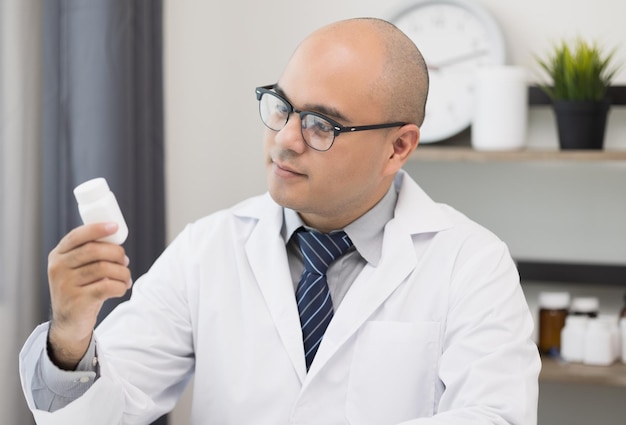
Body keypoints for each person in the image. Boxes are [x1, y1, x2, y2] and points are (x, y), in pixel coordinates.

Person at [20, 17, 540, 425]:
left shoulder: (472, 263)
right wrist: (71, 332)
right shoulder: (210, 247)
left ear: (398, 146)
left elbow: (495, 416)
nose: (285, 139)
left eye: (321, 124)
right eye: (281, 107)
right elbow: (101, 414)